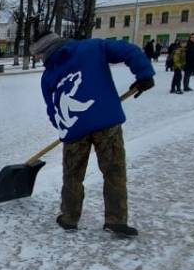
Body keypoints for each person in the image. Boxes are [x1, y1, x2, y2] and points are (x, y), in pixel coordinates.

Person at [31, 27, 155, 238]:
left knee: (72, 175)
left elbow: (52, 110)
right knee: (114, 172)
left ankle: (69, 217)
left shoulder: (49, 75)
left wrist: (62, 126)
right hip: (105, 121)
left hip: (76, 130)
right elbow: (130, 51)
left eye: (39, 54)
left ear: (47, 49)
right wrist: (143, 74)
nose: (40, 58)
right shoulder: (93, 47)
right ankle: (115, 220)